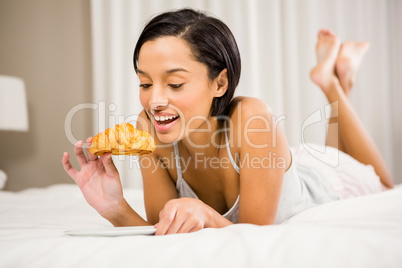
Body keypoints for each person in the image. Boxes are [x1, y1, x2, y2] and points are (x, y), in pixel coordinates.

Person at [62, 9, 394, 235]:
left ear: (220, 83)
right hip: (276, 164)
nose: (155, 100)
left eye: (175, 84)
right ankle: (340, 75)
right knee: (330, 151)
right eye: (145, 83)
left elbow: (256, 238)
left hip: (323, 181)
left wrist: (207, 216)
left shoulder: (254, 118)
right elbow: (165, 234)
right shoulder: (149, 130)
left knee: (384, 184)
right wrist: (115, 208)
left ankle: (332, 83)